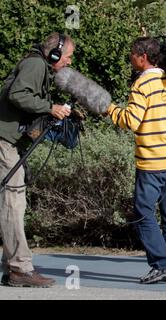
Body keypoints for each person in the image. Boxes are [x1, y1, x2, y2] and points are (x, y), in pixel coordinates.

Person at [105, 37, 166, 284]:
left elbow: (131, 121)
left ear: (143, 57)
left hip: (154, 161)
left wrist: (109, 109)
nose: (131, 58)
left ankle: (162, 265)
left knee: (143, 212)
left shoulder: (142, 84)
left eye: (133, 54)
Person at [0, 32, 74, 287]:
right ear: (54, 54)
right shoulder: (35, 64)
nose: (68, 62)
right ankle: (20, 268)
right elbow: (18, 95)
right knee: (13, 203)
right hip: (5, 142)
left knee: (14, 201)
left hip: (11, 142)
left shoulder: (37, 65)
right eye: (67, 57)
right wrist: (49, 108)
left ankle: (12, 267)